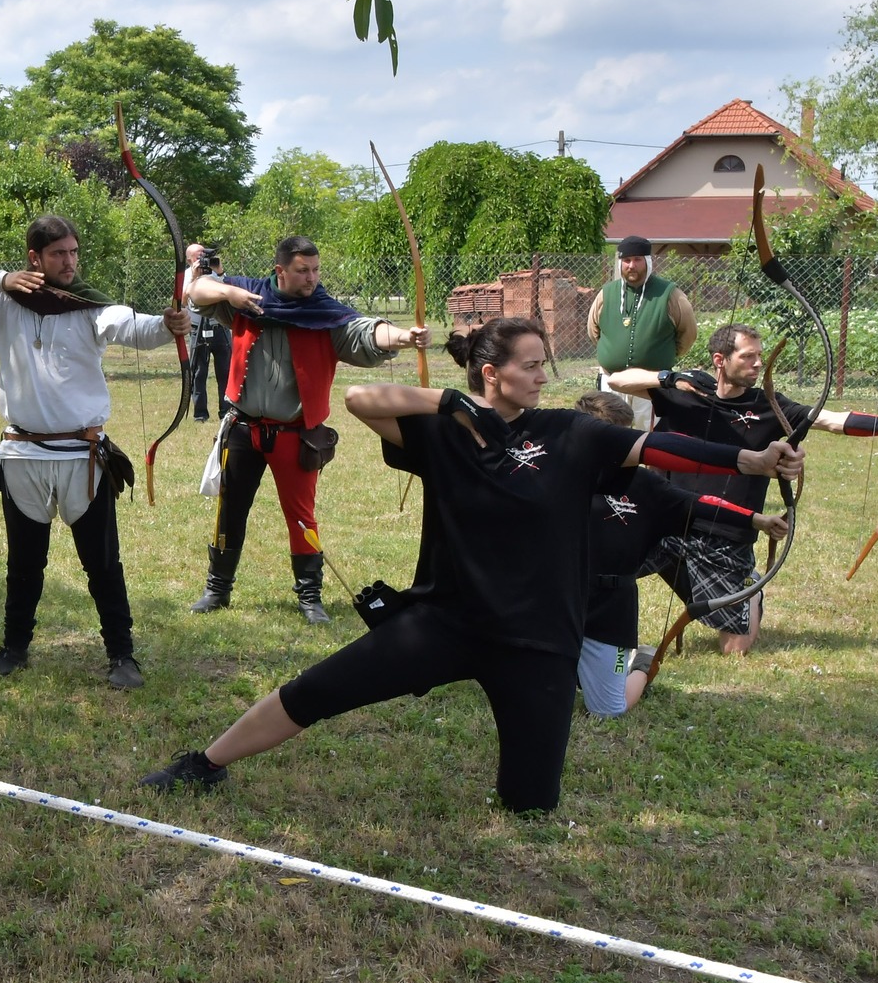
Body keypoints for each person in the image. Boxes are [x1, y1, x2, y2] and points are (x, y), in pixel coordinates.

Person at [138, 316, 802, 812]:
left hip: (538, 643)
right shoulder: (445, 433)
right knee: (314, 690)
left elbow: (658, 448)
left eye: (543, 365)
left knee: (530, 805)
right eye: (532, 366)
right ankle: (206, 762)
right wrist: (450, 403)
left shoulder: (571, 433)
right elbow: (361, 399)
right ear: (492, 373)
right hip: (445, 623)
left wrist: (746, 459)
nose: (543, 377)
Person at [0, 216, 190, 690]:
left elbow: (134, 328)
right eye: (58, 254)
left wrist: (167, 325)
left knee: (103, 563)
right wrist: (1, 279)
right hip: (23, 455)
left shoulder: (88, 307)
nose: (69, 262)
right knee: (23, 563)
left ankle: (122, 654)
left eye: (73, 252)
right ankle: (14, 649)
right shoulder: (3, 305)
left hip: (82, 458)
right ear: (34, 258)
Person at [604, 322, 878, 655]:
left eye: (759, 357)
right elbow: (617, 379)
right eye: (747, 356)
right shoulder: (685, 390)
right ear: (720, 360)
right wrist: (668, 377)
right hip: (665, 521)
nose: (757, 364)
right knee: (600, 567)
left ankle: (749, 591)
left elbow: (832, 420)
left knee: (734, 649)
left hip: (725, 534)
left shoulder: (768, 405)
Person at [185, 235, 428, 623]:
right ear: (280, 271)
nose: (312, 278)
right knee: (229, 511)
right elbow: (197, 291)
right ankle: (217, 589)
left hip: (294, 435)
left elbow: (364, 331)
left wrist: (403, 336)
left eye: (315, 270)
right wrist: (229, 292)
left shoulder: (323, 313)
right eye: (302, 271)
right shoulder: (249, 299)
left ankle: (310, 597)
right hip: (243, 429)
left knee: (301, 518)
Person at [571, 391, 786, 716]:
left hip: (608, 612)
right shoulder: (564, 473)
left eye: (624, 436)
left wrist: (758, 520)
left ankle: (642, 663)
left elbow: (698, 504)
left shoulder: (644, 484)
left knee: (607, 710)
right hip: (563, 601)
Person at [587, 236, 696, 428]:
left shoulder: (670, 295)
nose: (631, 265)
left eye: (637, 259)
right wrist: (611, 353)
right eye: (627, 260)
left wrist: (662, 354)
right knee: (610, 433)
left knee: (650, 435)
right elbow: (593, 330)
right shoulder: (606, 293)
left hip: (650, 384)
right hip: (612, 380)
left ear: (647, 261)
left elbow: (688, 334)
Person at [185, 242, 232, 422]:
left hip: (219, 327)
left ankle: (226, 412)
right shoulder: (186, 275)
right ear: (189, 260)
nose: (203, 258)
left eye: (204, 254)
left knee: (225, 371)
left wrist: (219, 272)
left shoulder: (214, 272)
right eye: (198, 256)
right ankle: (200, 414)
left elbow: (228, 292)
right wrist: (193, 278)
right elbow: (183, 301)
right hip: (197, 328)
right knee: (199, 372)